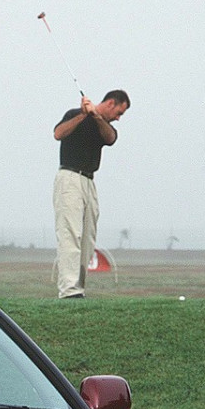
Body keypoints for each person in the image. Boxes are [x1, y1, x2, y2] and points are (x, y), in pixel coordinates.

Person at [52, 89, 130, 298]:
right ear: (111, 103)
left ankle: (78, 288)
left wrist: (95, 115)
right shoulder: (74, 115)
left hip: (89, 181)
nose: (118, 118)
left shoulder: (104, 127)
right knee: (71, 233)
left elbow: (110, 138)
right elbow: (58, 133)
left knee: (87, 237)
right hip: (69, 178)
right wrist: (83, 114)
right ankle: (69, 290)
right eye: (119, 112)